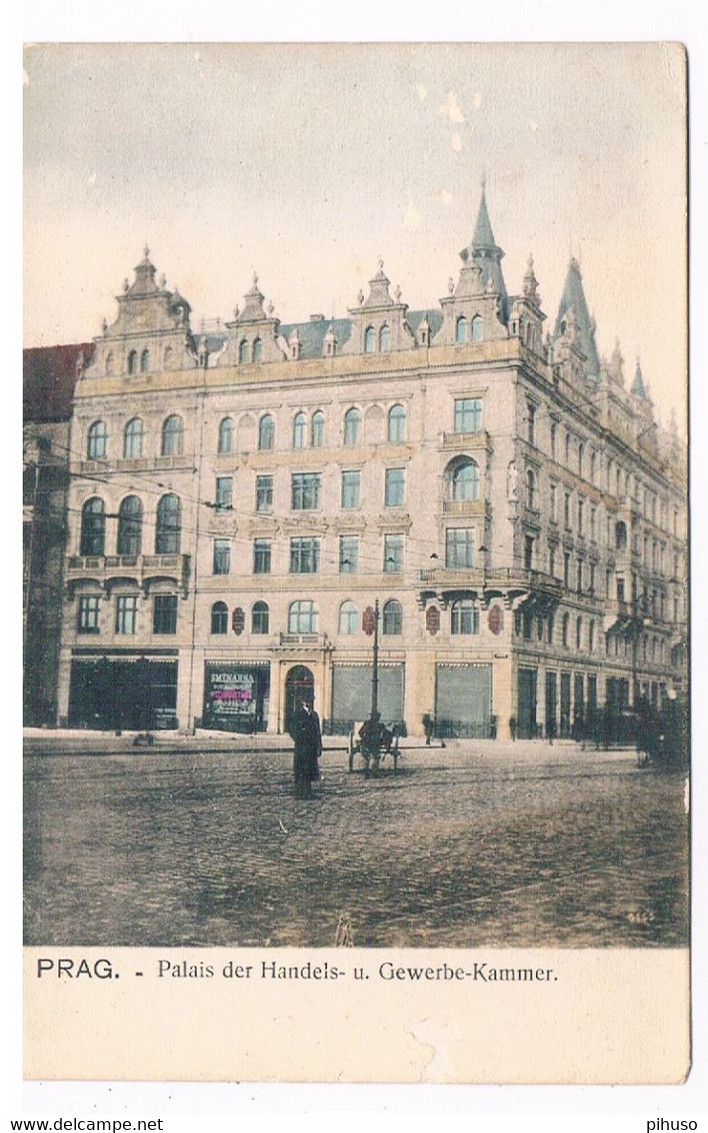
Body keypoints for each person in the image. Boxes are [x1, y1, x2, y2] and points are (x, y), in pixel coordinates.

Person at [290, 699, 322, 797]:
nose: (308, 703)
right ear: (303, 703)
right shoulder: (298, 714)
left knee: (309, 770)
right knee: (301, 770)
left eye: (310, 701)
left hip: (312, 747)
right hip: (302, 747)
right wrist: (299, 738)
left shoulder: (314, 715)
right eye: (306, 701)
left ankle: (308, 792)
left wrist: (320, 746)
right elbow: (292, 729)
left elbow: (318, 732)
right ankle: (299, 793)